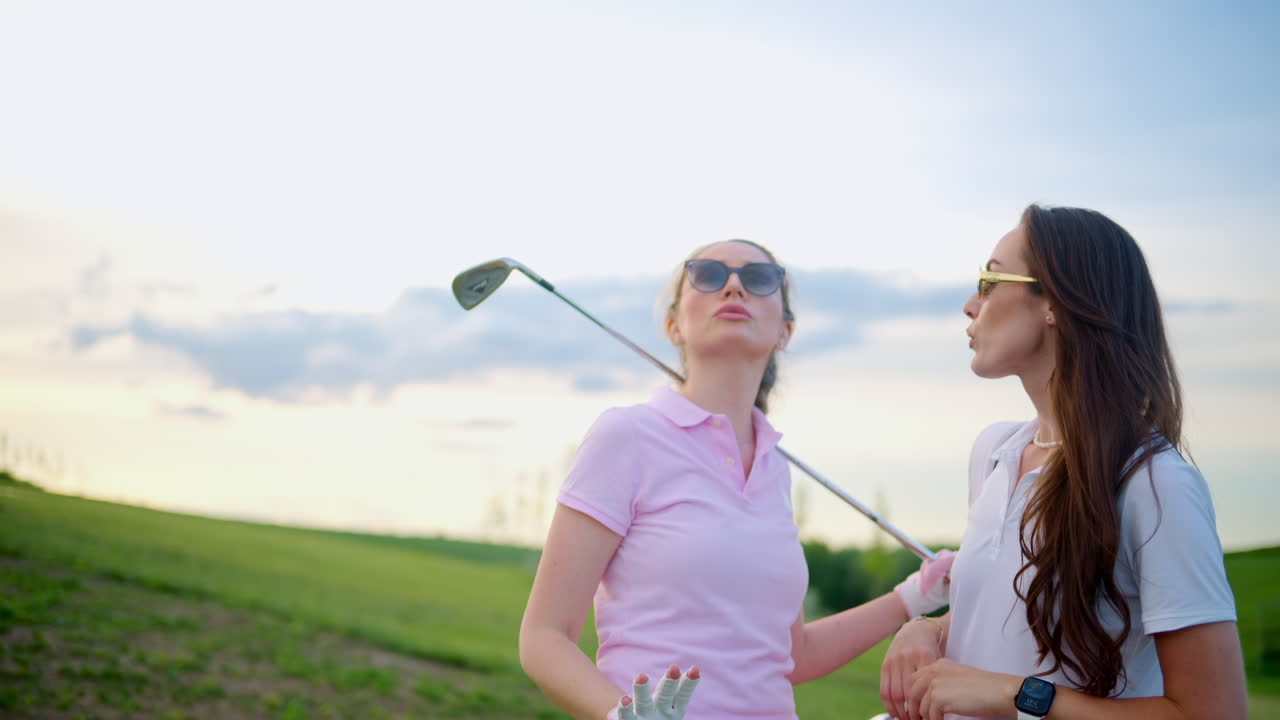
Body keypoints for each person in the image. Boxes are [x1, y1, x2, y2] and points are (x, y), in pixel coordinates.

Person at [519, 239, 949, 720]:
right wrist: (621, 715)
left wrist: (915, 596)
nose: (734, 286)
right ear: (673, 324)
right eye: (707, 274)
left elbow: (792, 654)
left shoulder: (774, 468)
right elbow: (543, 638)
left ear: (784, 330)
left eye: (760, 279)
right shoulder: (627, 435)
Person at [877, 205, 1247, 720]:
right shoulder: (993, 454)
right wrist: (930, 628)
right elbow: (1008, 620)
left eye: (988, 280)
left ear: (1053, 300)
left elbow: (1215, 713)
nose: (969, 305)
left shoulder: (1155, 485)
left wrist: (1015, 694)